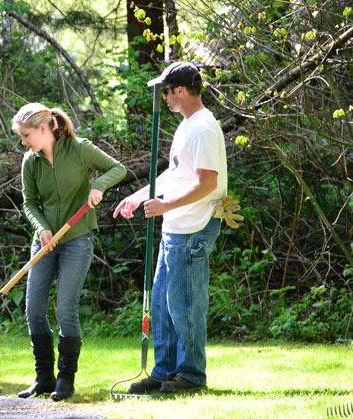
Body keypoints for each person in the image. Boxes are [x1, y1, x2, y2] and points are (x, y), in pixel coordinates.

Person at [113, 61, 227, 394]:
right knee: (163, 303)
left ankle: (191, 376)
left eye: (165, 91)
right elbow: (175, 175)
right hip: (175, 229)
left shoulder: (204, 128)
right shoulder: (186, 126)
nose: (163, 97)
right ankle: (164, 371)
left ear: (180, 90)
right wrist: (138, 196)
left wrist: (165, 207)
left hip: (194, 228)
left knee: (186, 304)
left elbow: (208, 184)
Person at [12, 103, 126, 401]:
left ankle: (66, 379)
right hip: (45, 241)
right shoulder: (30, 161)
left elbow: (118, 169)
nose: (23, 142)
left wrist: (98, 186)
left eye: (26, 135)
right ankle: (44, 378)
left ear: (43, 129)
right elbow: (30, 203)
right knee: (33, 309)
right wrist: (41, 228)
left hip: (77, 238)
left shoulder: (79, 149)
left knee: (65, 309)